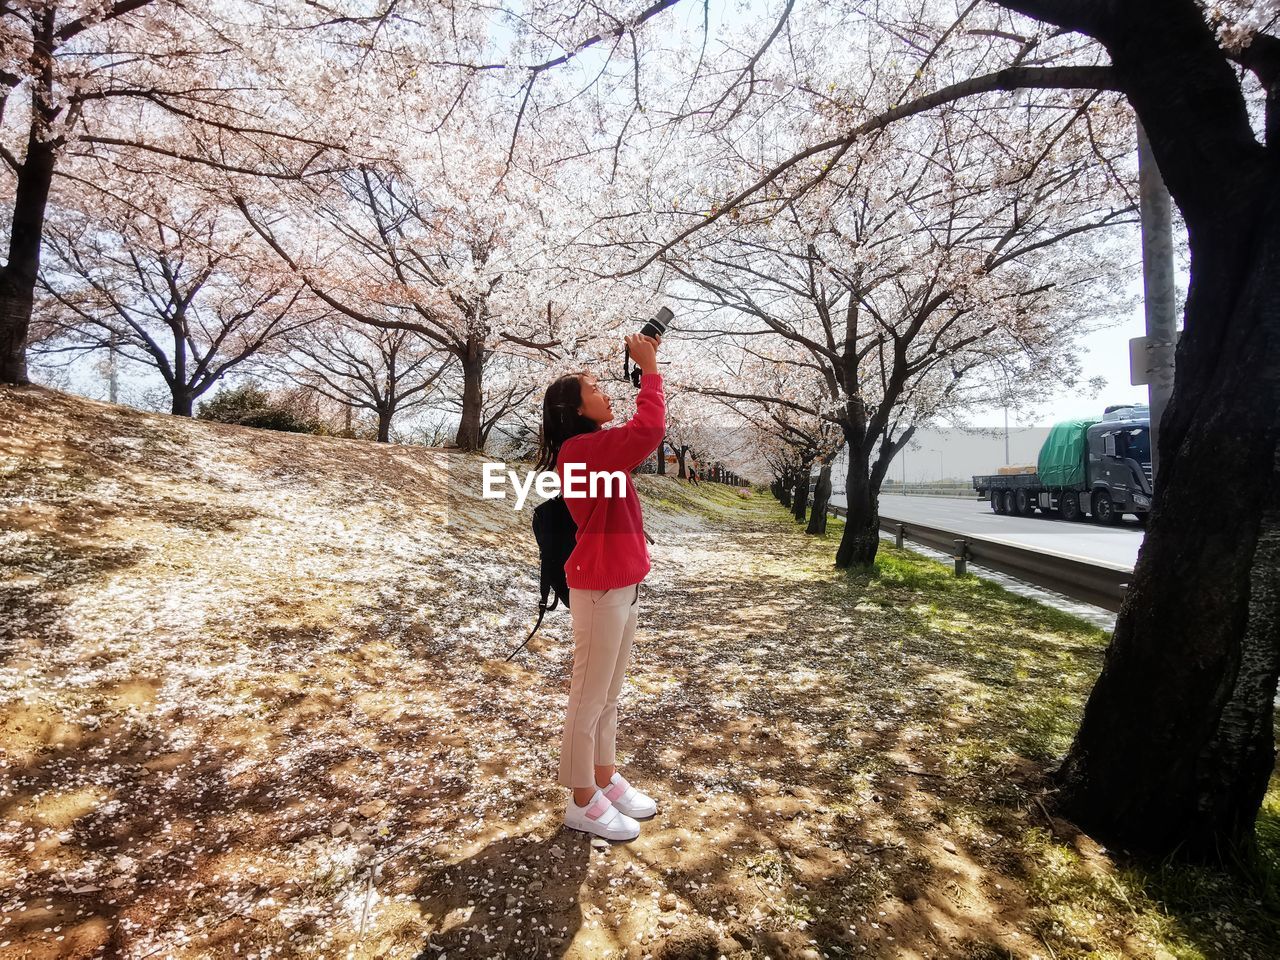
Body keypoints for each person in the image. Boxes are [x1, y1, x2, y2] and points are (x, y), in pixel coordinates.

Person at [532, 333, 665, 842]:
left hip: (622, 585)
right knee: (588, 698)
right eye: (594, 388)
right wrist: (649, 370)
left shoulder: (594, 450)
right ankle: (581, 800)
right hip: (600, 589)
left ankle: (603, 780)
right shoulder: (581, 450)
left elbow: (638, 436)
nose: (604, 391)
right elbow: (649, 428)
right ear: (574, 408)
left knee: (609, 694)